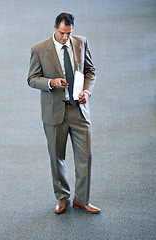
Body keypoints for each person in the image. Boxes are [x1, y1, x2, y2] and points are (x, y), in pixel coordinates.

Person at [27, 12, 100, 214]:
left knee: (86, 156)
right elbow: (32, 79)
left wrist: (87, 91)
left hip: (79, 110)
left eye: (69, 33)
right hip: (54, 113)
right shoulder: (39, 49)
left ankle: (82, 200)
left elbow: (90, 71)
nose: (65, 38)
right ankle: (62, 197)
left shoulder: (81, 42)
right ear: (54, 28)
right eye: (62, 33)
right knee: (57, 157)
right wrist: (50, 83)